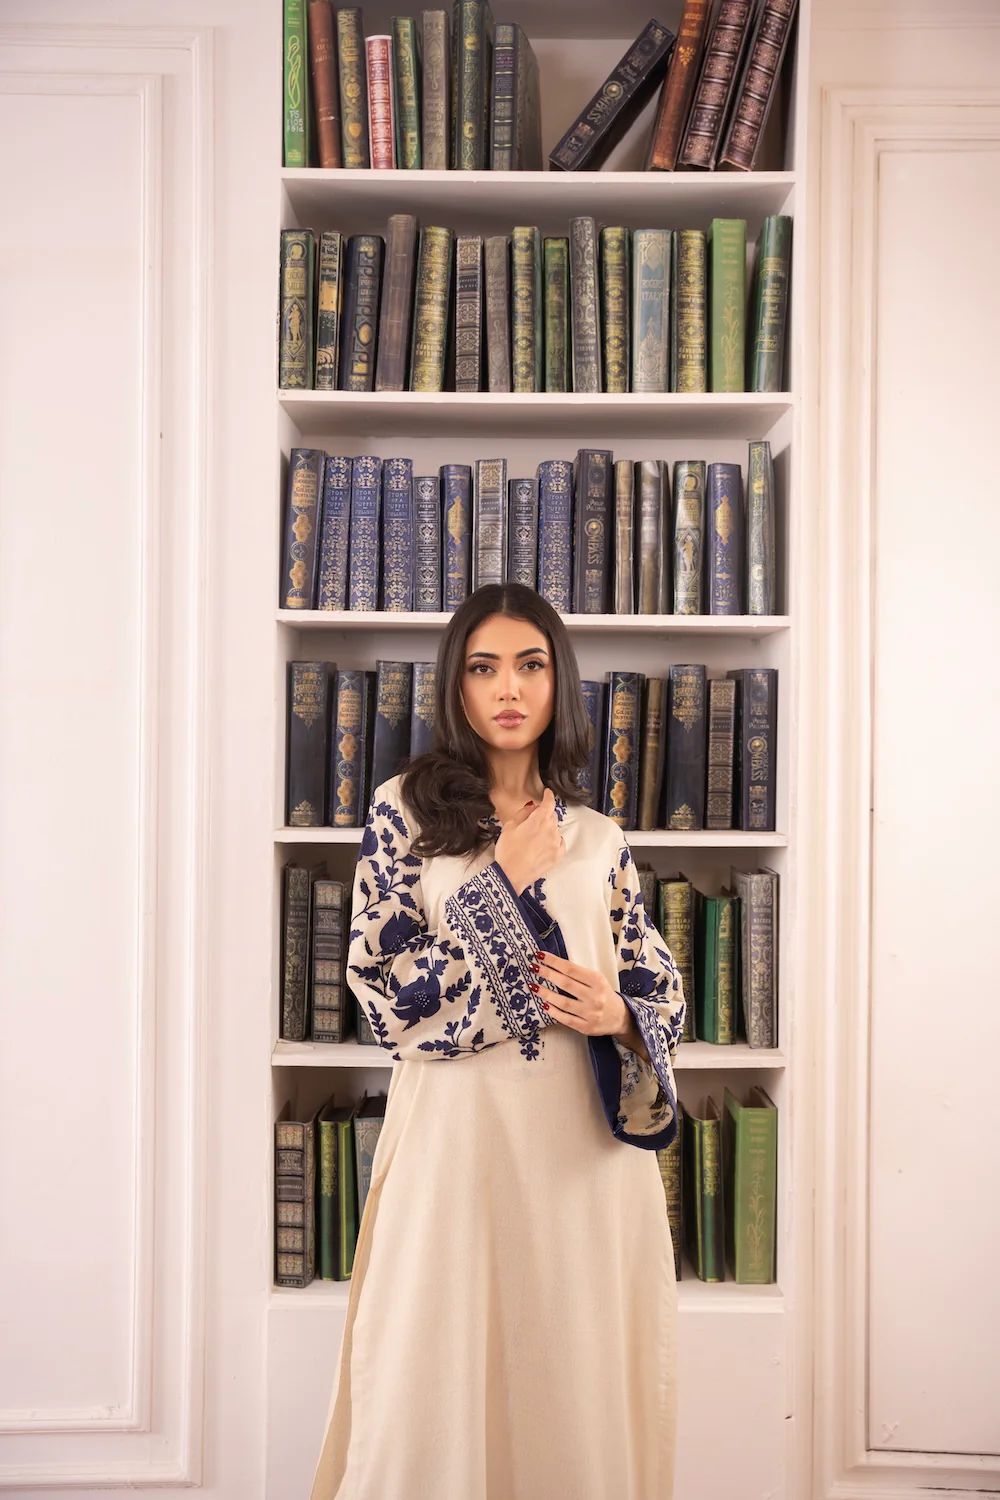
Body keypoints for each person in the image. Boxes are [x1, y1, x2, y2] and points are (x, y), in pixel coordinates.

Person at [309, 581, 686, 1500]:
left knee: (572, 1383)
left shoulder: (598, 835)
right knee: (434, 1376)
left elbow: (657, 984)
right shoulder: (404, 814)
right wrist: (503, 882)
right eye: (483, 668)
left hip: (581, 1160)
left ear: (559, 682)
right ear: (456, 685)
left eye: (530, 665)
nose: (508, 688)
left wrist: (621, 1016)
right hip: (457, 1153)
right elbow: (386, 1002)